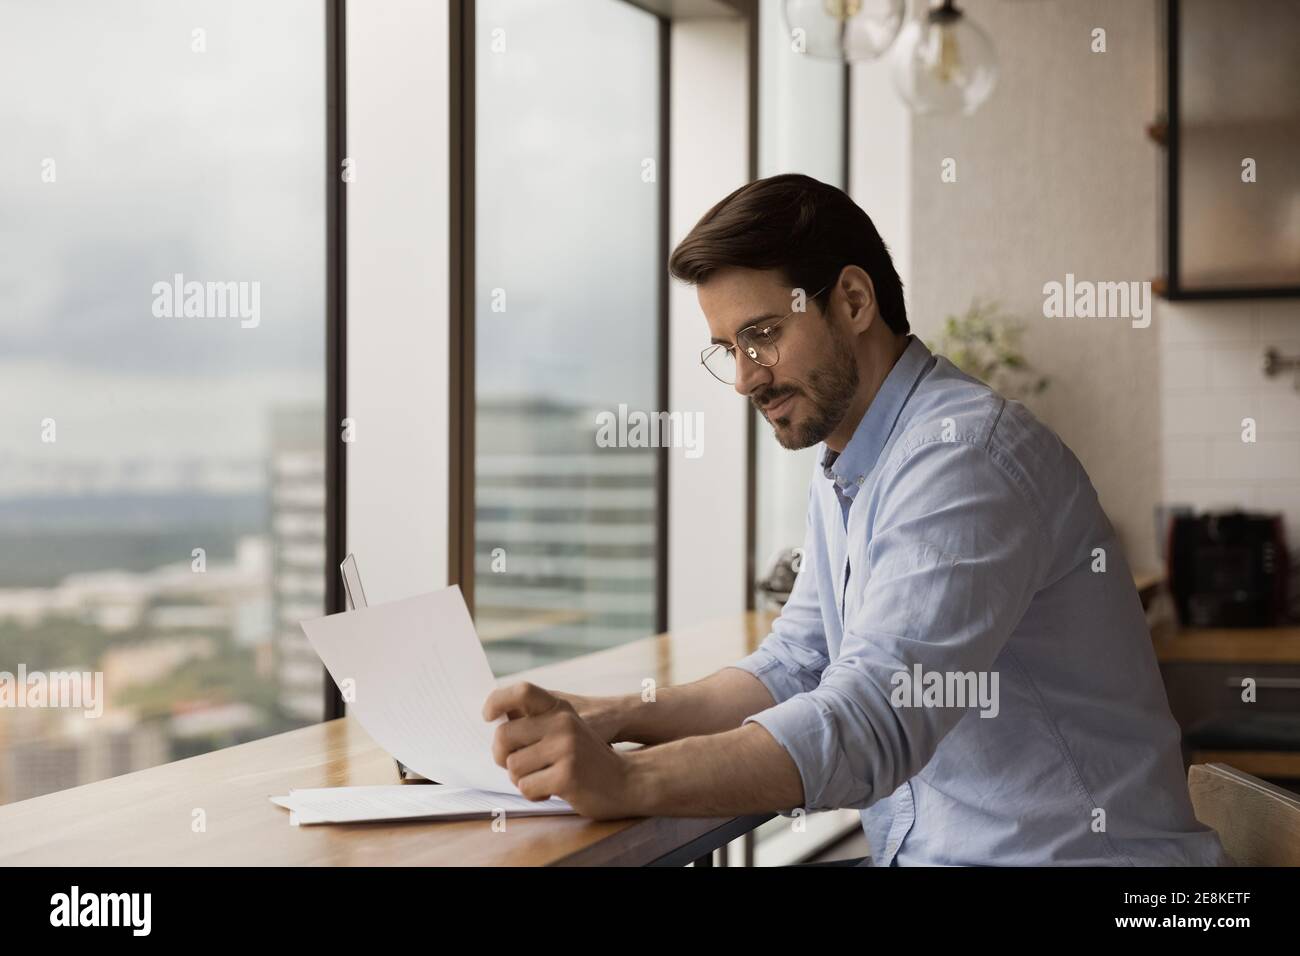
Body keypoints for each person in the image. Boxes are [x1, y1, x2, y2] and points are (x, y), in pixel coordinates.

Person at [483, 173, 1230, 866]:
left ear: (851, 301)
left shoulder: (962, 456)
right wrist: (612, 718)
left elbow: (879, 717)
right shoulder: (852, 457)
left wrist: (629, 780)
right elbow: (794, 665)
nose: (745, 378)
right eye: (728, 349)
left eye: (763, 335)